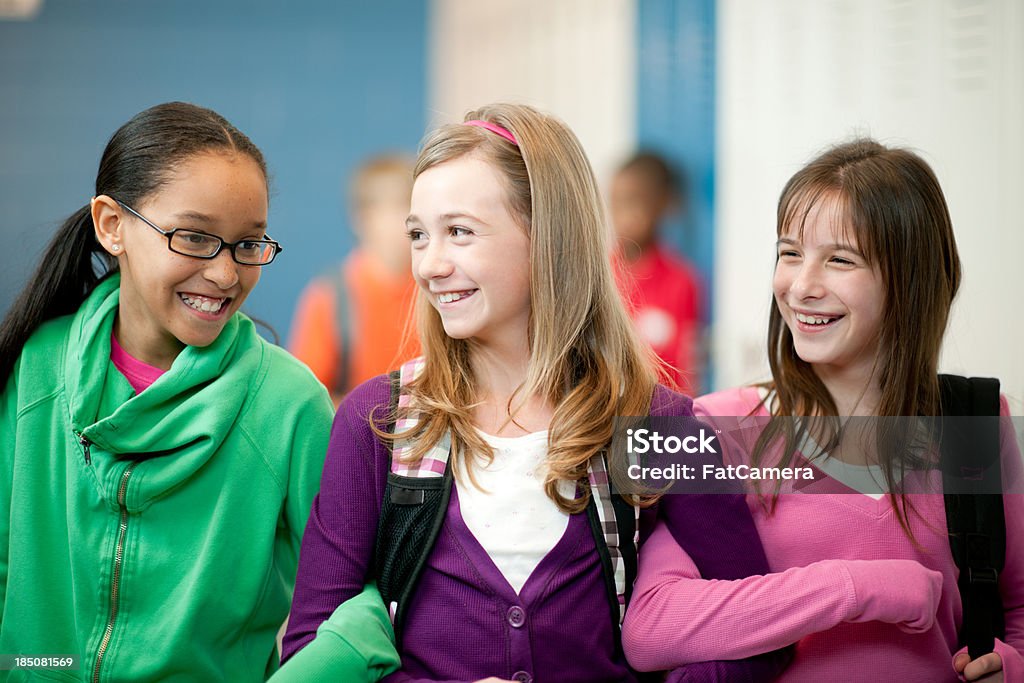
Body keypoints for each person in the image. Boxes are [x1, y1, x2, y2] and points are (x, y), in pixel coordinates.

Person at [279, 104, 784, 682]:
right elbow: (310, 652)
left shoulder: (658, 425)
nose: (430, 265)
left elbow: (759, 635)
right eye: (419, 234)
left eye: (460, 232)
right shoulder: (378, 423)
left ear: (548, 239)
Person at [0, 102, 395, 681]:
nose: (226, 273)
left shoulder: (288, 406)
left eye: (247, 244)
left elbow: (364, 603)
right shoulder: (38, 368)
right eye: (195, 238)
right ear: (113, 225)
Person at [622, 139, 1024, 682]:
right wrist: (854, 588)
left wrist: (1011, 666)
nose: (801, 286)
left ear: (911, 279)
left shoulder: (976, 421)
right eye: (790, 253)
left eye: (839, 259)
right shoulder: (713, 426)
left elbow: (1016, 609)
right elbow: (651, 628)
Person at [288, 154, 419, 404]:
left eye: (410, 207)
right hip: (360, 436)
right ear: (361, 219)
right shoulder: (330, 296)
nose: (404, 222)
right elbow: (306, 397)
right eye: (392, 208)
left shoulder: (435, 290)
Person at [610, 151, 705, 393]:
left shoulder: (681, 282)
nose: (623, 216)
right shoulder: (599, 275)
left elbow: (686, 370)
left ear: (661, 204)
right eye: (615, 202)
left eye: (634, 202)